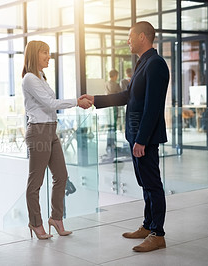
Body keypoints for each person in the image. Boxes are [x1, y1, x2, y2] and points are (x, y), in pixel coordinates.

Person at [81, 21, 169, 252]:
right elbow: (127, 96)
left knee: (152, 184)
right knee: (144, 183)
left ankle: (158, 234)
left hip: (144, 137)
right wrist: (95, 99)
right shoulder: (143, 63)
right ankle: (148, 224)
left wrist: (141, 139)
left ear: (142, 37)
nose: (127, 41)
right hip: (137, 135)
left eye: (130, 36)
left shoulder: (156, 64)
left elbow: (152, 107)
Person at [22, 40, 91, 240]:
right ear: (35, 54)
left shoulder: (41, 77)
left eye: (49, 53)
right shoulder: (29, 78)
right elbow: (50, 103)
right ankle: (35, 222)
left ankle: (56, 219)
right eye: (45, 53)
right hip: (39, 131)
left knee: (61, 176)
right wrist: (77, 102)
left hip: (51, 130)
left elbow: (49, 104)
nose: (48, 56)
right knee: (35, 182)